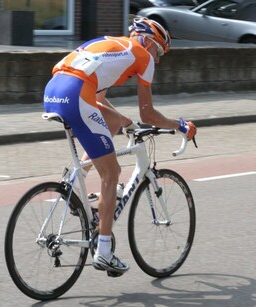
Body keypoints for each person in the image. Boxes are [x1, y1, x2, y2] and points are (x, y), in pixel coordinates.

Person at [43, 17, 197, 276]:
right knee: (112, 173)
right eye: (158, 51)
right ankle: (104, 252)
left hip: (53, 91)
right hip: (76, 94)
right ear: (147, 41)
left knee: (114, 122)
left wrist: (126, 122)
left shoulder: (112, 47)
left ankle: (77, 179)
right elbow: (148, 114)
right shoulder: (142, 56)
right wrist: (180, 125)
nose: (157, 60)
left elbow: (98, 101)